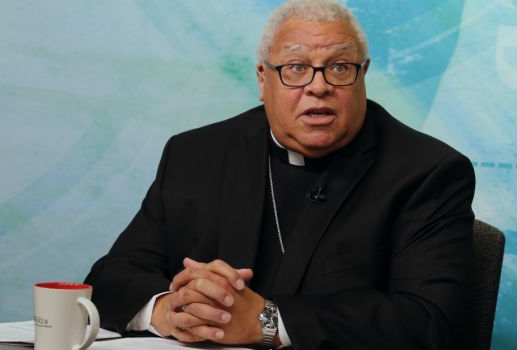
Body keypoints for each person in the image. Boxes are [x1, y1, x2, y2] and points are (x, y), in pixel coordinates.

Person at [84, 0, 475, 348]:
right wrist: (169, 310)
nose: (318, 86)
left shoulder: (428, 172)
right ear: (262, 79)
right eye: (295, 68)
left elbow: (431, 321)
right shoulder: (194, 155)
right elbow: (112, 277)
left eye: (339, 67)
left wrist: (265, 323)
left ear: (363, 74)